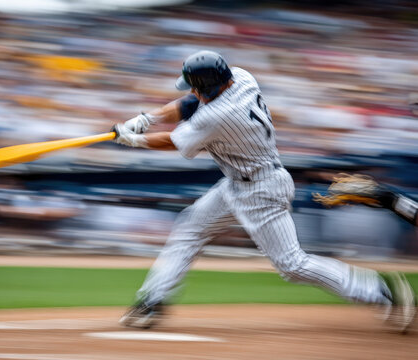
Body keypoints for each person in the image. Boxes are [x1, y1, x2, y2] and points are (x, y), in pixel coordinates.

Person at [111, 50, 416, 333]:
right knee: (189, 227)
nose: (191, 91)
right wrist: (148, 118)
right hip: (237, 182)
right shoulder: (240, 77)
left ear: (208, 85)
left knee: (292, 265)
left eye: (194, 85)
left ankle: (377, 290)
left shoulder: (217, 117)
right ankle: (152, 301)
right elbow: (190, 103)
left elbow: (175, 141)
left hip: (261, 191)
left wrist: (134, 140)